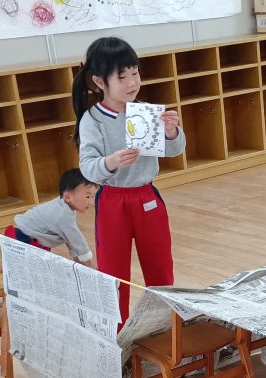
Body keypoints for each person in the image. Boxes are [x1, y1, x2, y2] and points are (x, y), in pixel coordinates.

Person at [74, 36, 186, 325]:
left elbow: (174, 150)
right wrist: (111, 162)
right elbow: (88, 167)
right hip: (112, 201)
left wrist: (172, 132)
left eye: (135, 73)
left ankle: (164, 327)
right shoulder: (92, 120)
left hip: (147, 197)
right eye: (122, 77)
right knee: (113, 274)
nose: (132, 82)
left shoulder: (146, 112)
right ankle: (118, 333)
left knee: (160, 268)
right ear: (99, 82)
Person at [8, 169, 96, 266]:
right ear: (68, 197)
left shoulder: (63, 205)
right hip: (21, 238)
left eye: (93, 196)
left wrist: (77, 256)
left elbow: (69, 237)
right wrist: (88, 262)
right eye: (88, 197)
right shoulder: (63, 215)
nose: (91, 202)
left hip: (22, 234)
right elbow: (76, 239)